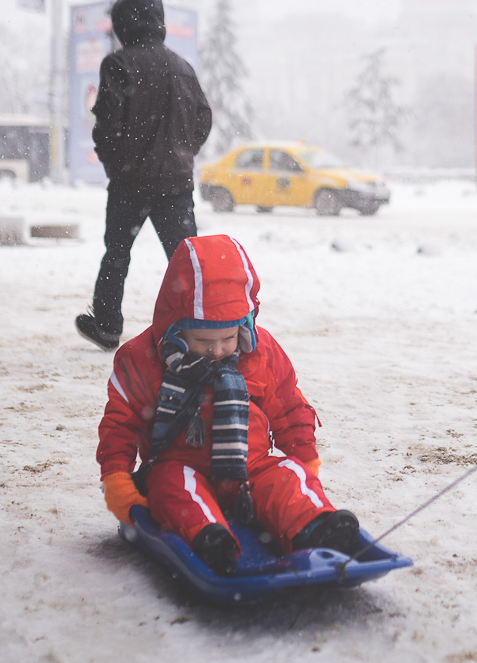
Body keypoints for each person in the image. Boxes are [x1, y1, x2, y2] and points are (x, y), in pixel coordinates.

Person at [96, 234, 361, 572]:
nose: (218, 350)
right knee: (172, 488)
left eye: (228, 337)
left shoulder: (259, 352)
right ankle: (208, 538)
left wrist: (304, 454)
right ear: (175, 330)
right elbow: (121, 423)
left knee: (287, 476)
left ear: (243, 326)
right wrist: (117, 476)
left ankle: (316, 527)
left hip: (249, 467)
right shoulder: (142, 358)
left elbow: (288, 405)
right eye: (203, 340)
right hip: (180, 465)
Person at [76, 0, 211, 351]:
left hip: (130, 182)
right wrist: (182, 153)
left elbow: (107, 123)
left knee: (117, 254)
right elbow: (203, 119)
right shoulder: (182, 67)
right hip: (176, 184)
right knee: (185, 261)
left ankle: (107, 324)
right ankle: (203, 326)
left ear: (124, 25)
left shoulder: (118, 64)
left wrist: (116, 163)